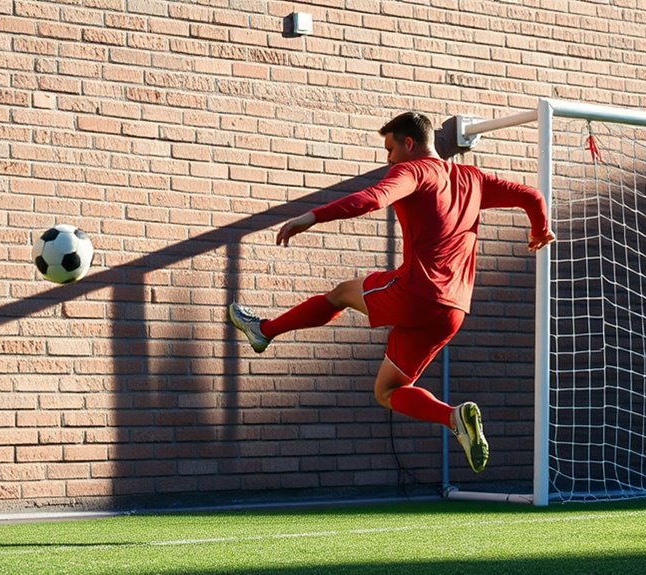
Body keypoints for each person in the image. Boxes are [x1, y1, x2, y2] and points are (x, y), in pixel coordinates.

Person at [228, 112, 556, 473]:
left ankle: (264, 331)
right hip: (454, 311)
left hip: (416, 293)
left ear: (409, 144)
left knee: (340, 294)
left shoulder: (413, 172)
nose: (388, 159)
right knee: (387, 391)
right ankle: (454, 417)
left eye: (390, 148)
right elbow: (532, 196)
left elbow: (372, 199)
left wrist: (313, 217)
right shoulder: (472, 179)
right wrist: (539, 231)